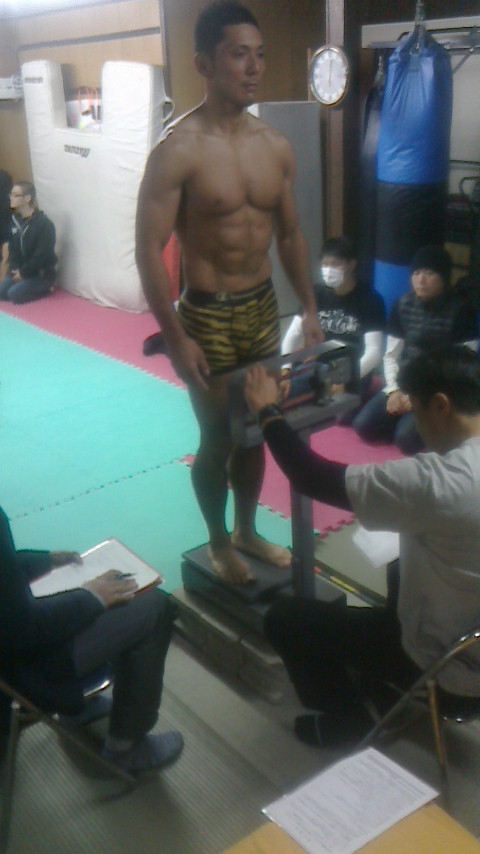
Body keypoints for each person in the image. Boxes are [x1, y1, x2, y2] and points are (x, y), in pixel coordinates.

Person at [135, 1, 323, 585]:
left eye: (259, 54)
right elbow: (148, 250)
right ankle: (218, 542)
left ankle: (246, 529)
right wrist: (175, 336)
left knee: (256, 428)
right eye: (239, 54)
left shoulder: (274, 145)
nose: (254, 67)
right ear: (204, 64)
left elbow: (289, 234)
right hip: (207, 315)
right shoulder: (177, 151)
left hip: (263, 307)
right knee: (217, 438)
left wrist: (310, 308)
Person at [244, 346, 480, 748]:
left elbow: (311, 475)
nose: (417, 425)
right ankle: (380, 679)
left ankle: (347, 723)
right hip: (470, 635)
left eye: (416, 410)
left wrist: (267, 411)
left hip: (453, 673)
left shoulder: (441, 481)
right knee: (397, 569)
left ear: (440, 406)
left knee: (285, 620)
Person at [0, 509, 184, 774]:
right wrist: (91, 598)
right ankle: (126, 746)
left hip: (12, 658)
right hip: (20, 672)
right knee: (153, 607)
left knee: (97, 598)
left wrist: (42, 562)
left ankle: (77, 707)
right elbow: (24, 630)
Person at [353, 245, 478, 454]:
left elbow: (462, 368)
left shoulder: (462, 311)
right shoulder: (402, 305)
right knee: (363, 427)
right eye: (417, 273)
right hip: (406, 382)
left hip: (438, 389)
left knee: (405, 440)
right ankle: (403, 417)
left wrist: (417, 399)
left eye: (429, 273)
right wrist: (394, 390)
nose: (421, 280)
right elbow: (391, 355)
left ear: (444, 278)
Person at [282, 236, 385, 408]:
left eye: (336, 265)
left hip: (355, 369)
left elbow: (374, 352)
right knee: (282, 394)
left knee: (337, 411)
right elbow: (293, 333)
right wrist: (285, 370)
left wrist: (347, 379)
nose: (329, 270)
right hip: (320, 366)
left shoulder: (371, 300)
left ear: (351, 265)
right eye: (325, 264)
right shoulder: (316, 293)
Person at [0, 181, 57, 305]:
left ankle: (47, 288)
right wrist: (15, 270)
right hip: (21, 271)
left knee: (14, 295)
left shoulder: (44, 224)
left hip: (40, 273)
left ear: (27, 198)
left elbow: (42, 255)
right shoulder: (15, 221)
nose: (11, 198)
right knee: (2, 292)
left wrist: (24, 273)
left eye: (16, 195)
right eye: (11, 195)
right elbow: (13, 249)